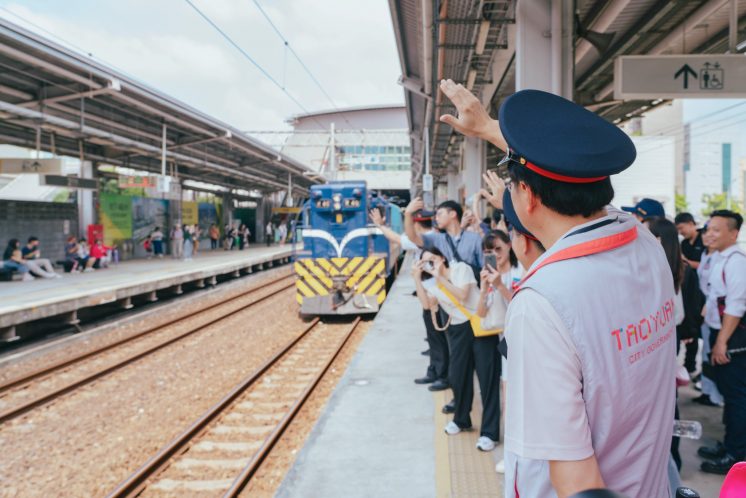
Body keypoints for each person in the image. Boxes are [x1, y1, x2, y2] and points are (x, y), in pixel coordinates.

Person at [439, 80, 675, 497]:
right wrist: (493, 130)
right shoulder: (643, 242)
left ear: (526, 196)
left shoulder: (543, 301)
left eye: (512, 186)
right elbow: (575, 177)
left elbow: (576, 480)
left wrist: (498, 131)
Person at [413, 247, 500, 452]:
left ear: (443, 258)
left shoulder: (460, 269)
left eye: (433, 259)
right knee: (457, 375)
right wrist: (417, 278)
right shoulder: (431, 283)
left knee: (487, 379)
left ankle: (490, 433)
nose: (431, 264)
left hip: (480, 325)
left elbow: (462, 295)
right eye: (426, 262)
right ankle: (461, 419)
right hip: (458, 329)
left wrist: (439, 279)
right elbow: (427, 305)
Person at [371, 207, 449, 391]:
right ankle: (435, 370)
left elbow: (396, 238)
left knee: (438, 339)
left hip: (434, 298)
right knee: (435, 339)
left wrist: (380, 225)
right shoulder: (430, 237)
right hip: (429, 296)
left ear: (415, 223)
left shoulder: (423, 240)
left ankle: (442, 375)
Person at [698, 210, 746, 475]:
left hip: (731, 338)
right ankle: (730, 445)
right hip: (721, 333)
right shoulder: (719, 257)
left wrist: (721, 343)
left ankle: (737, 456)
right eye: (708, 229)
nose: (709, 234)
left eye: (717, 230)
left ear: (734, 233)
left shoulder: (736, 262)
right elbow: (717, 294)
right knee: (730, 394)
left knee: (737, 398)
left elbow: (736, 305)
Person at [696, 225, 725, 407]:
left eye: (714, 232)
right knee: (706, 352)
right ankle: (707, 390)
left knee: (713, 352)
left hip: (714, 311)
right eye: (706, 233)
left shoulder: (721, 258)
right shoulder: (705, 254)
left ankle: (716, 395)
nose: (708, 237)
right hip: (705, 310)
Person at [674, 212, 705, 376]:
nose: (681, 232)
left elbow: (707, 265)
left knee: (697, 332)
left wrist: (687, 263)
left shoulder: (705, 239)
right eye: (678, 230)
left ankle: (698, 370)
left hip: (703, 291)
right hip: (688, 288)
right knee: (689, 329)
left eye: (682, 228)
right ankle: (689, 367)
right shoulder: (684, 244)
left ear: (691, 223)